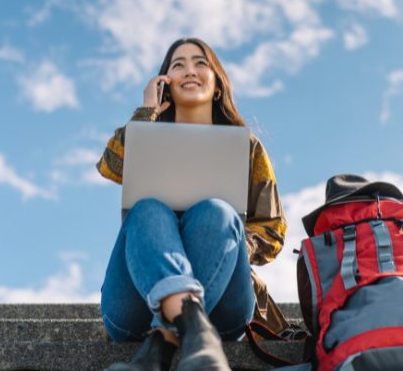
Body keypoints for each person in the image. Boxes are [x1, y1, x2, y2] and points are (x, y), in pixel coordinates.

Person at [96, 37, 288, 371]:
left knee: (217, 212)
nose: (190, 70)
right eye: (178, 64)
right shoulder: (145, 133)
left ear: (217, 84)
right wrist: (146, 112)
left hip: (224, 308)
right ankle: (189, 332)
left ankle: (162, 344)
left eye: (201, 63)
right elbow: (110, 165)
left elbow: (272, 230)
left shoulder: (247, 147)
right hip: (134, 308)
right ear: (164, 85)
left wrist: (228, 240)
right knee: (147, 210)